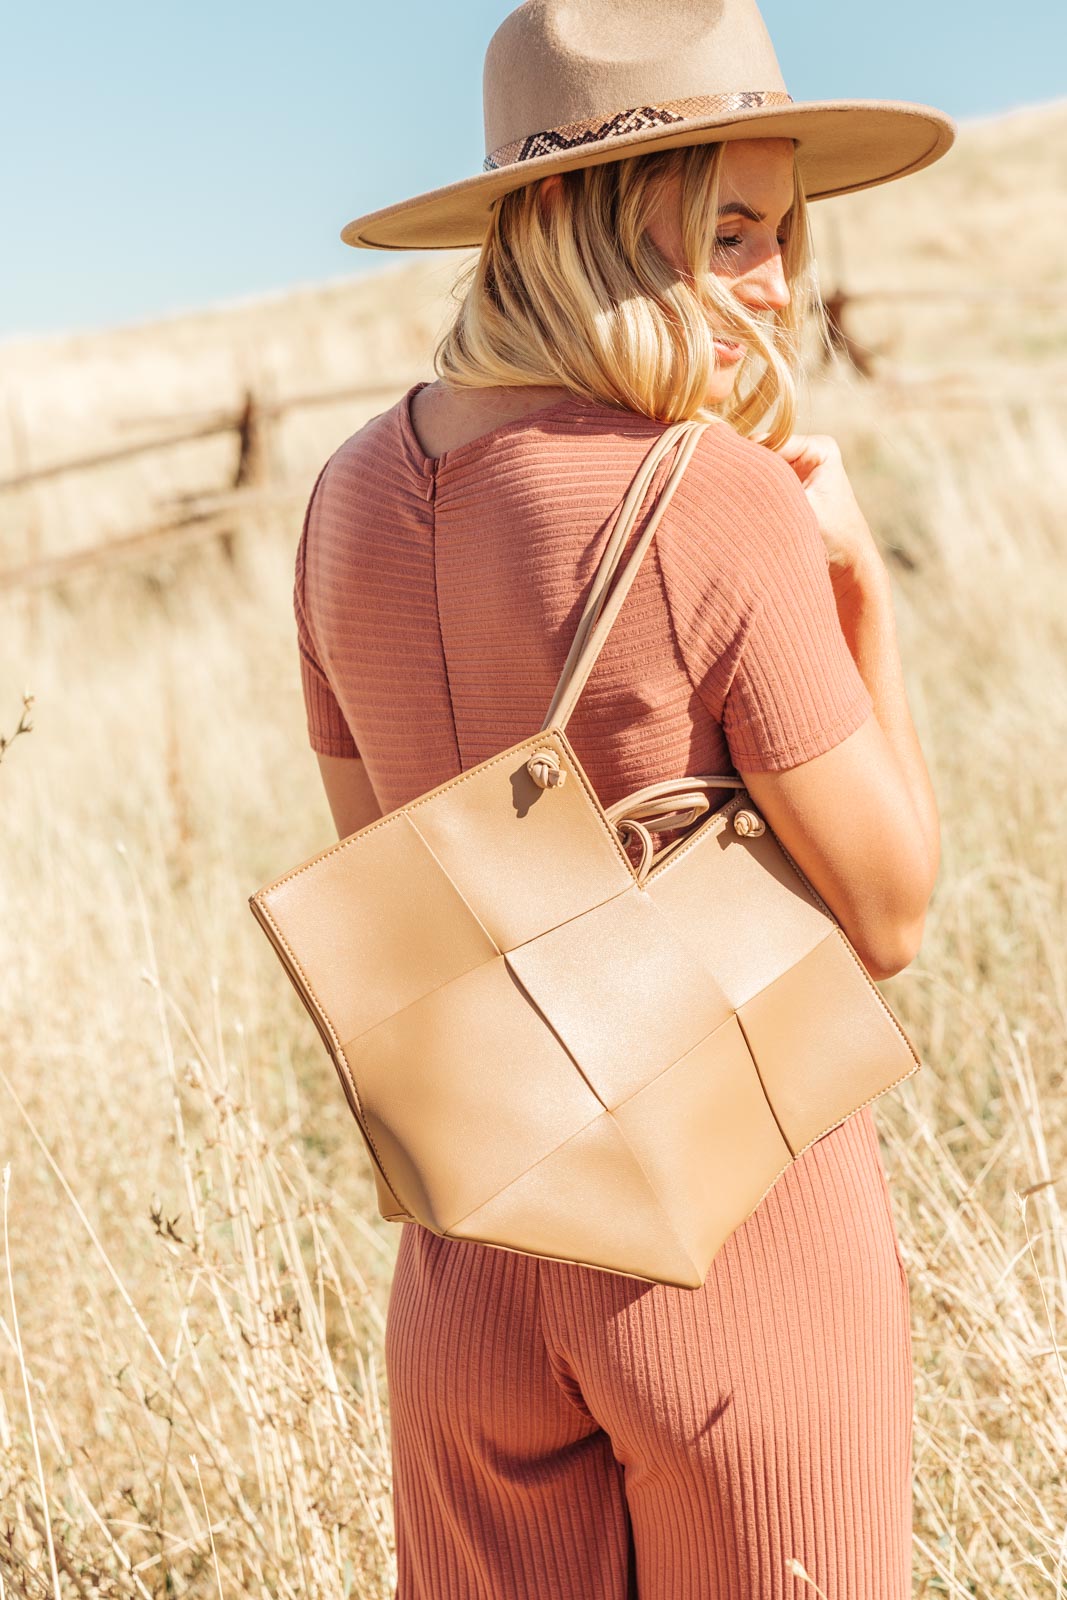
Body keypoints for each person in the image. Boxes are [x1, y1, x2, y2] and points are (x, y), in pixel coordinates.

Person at [293, 2, 952, 1594]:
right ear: (606, 219)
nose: (781, 285)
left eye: (784, 235)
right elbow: (892, 910)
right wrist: (860, 590)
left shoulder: (343, 505)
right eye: (734, 230)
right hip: (738, 1243)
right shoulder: (715, 497)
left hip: (469, 1260)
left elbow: (388, 871)